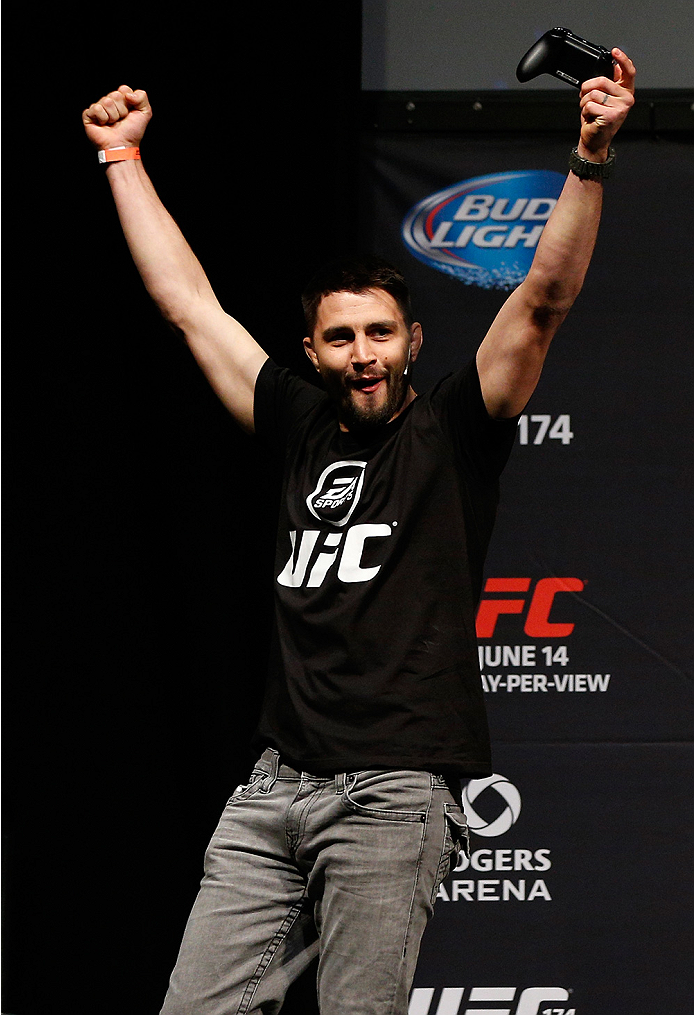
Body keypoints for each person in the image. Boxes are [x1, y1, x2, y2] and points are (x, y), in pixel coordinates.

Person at [83, 49, 635, 1015]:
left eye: (380, 333)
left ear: (412, 340)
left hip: (393, 794)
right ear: (312, 352)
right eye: (340, 338)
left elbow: (543, 300)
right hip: (270, 790)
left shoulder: (455, 429)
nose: (362, 355)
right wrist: (123, 160)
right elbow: (188, 307)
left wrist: (587, 159)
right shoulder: (296, 422)